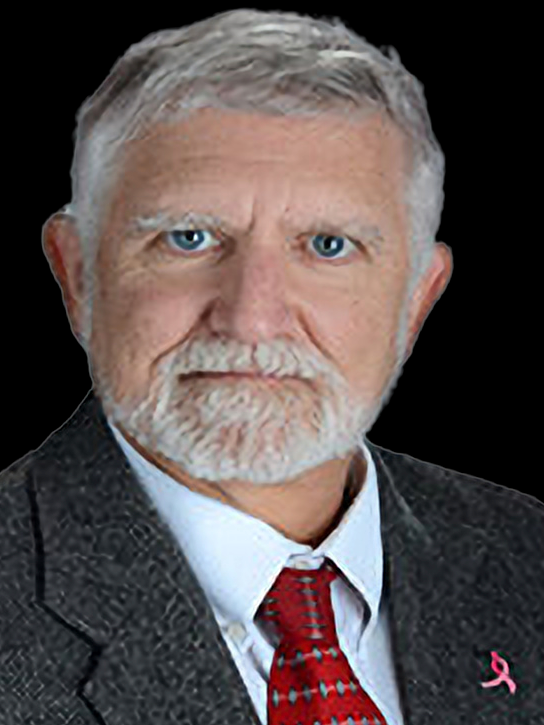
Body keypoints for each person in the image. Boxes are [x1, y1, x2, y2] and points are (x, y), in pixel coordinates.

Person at [1, 9, 542, 725]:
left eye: (327, 246)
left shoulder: (528, 554)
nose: (252, 318)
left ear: (417, 299)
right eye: (188, 237)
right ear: (77, 278)